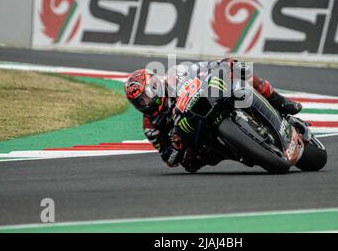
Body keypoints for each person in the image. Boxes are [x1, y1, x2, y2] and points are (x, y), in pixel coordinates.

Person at [124, 58, 303, 173]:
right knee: (190, 164)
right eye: (139, 102)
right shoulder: (150, 125)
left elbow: (202, 67)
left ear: (154, 87)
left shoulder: (174, 77)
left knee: (236, 67)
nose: (144, 104)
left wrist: (220, 67)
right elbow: (168, 159)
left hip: (208, 99)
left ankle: (278, 100)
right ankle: (245, 150)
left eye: (144, 98)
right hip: (194, 137)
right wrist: (176, 146)